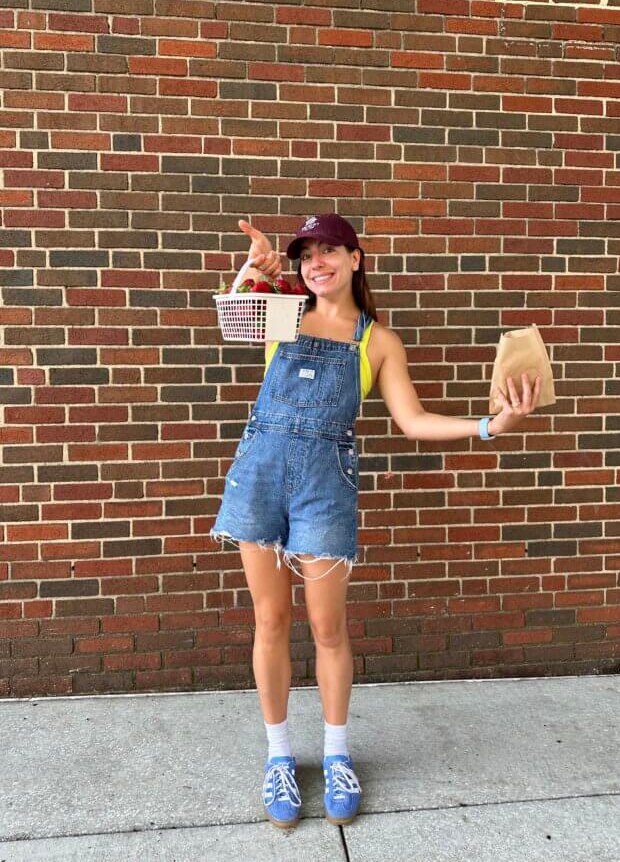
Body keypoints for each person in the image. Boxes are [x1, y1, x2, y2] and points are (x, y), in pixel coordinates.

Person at [210, 213, 542, 829]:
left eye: (329, 250)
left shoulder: (379, 341)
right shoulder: (283, 313)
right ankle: (279, 758)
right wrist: (257, 270)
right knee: (270, 621)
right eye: (306, 254)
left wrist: (490, 425)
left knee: (328, 627)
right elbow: (234, 314)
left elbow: (412, 422)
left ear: (356, 259)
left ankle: (337, 755)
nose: (316, 263)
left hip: (324, 489)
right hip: (259, 477)